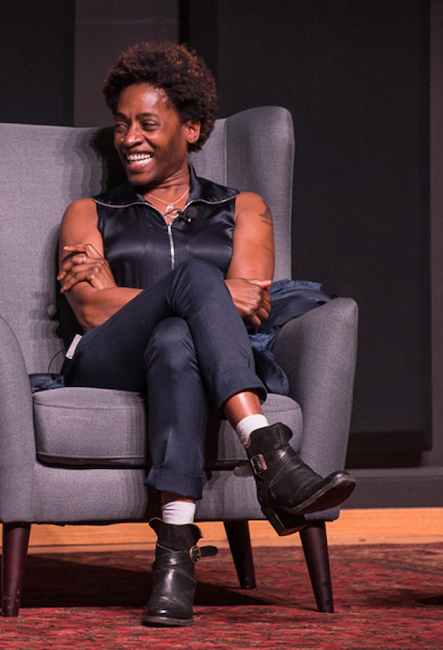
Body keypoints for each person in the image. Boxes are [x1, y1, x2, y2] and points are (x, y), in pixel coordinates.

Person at [56, 42, 355, 627]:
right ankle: (270, 452)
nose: (129, 139)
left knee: (176, 340)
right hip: (109, 357)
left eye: (147, 124)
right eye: (121, 126)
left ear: (192, 129)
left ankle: (174, 556)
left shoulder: (244, 207)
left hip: (189, 360)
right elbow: (93, 311)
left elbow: (251, 312)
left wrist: (178, 300)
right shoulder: (87, 211)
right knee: (196, 284)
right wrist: (207, 291)